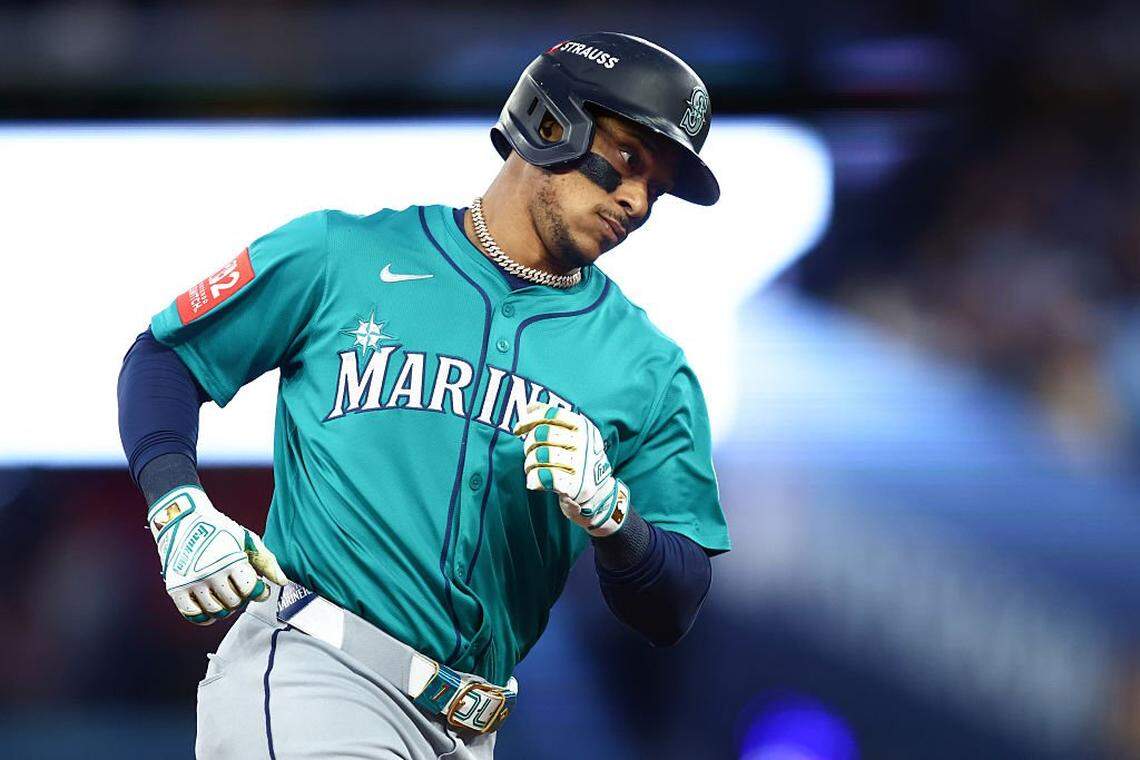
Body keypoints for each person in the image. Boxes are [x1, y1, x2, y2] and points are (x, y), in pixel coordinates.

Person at [118, 31, 730, 759]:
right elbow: (165, 356)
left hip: (471, 729)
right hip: (318, 674)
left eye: (655, 189)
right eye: (629, 160)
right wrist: (175, 506)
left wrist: (616, 523)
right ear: (548, 121)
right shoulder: (341, 256)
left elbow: (675, 602)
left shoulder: (649, 368)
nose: (636, 200)